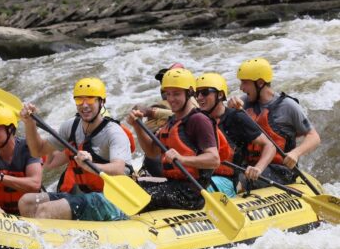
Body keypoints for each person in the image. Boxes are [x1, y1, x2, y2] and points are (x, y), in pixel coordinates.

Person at [18, 77, 132, 221]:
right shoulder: (71, 126)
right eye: (79, 100)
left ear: (101, 102)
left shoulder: (113, 132)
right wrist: (29, 123)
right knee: (27, 202)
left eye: (90, 100)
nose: (84, 105)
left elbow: (118, 169)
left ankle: (48, 241)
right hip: (85, 195)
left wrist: (90, 166)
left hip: (113, 199)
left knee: (45, 210)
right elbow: (38, 151)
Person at [127, 68, 220, 211]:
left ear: (189, 92)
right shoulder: (172, 121)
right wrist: (137, 126)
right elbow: (152, 152)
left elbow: (214, 159)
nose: (170, 99)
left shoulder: (199, 120)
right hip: (173, 185)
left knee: (138, 199)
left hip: (191, 194)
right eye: (167, 94)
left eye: (176, 94)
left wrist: (182, 159)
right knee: (129, 189)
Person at [229, 57, 321, 186]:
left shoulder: (288, 106)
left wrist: (295, 153)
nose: (241, 88)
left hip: (280, 170)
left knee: (239, 183)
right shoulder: (243, 103)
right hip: (249, 166)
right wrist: (229, 110)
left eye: (245, 82)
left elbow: (314, 137)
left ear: (260, 83)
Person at [195, 72, 276, 197]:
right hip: (200, 177)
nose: (199, 97)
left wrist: (258, 168)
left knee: (194, 191)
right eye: (197, 93)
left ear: (220, 94)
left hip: (226, 181)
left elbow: (269, 145)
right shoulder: (197, 119)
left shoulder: (236, 117)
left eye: (205, 92)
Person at [133, 63, 198, 177]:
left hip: (180, 170)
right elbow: (151, 151)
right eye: (163, 81)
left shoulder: (191, 105)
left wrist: (152, 112)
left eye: (175, 90)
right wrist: (137, 125)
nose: (165, 85)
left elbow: (191, 114)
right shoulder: (170, 105)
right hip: (158, 155)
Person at [0, 105, 42, 214]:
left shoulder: (29, 148)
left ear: (10, 129)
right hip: (2, 213)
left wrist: (1, 178)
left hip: (29, 209)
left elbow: (35, 184)